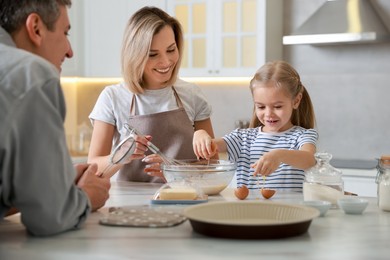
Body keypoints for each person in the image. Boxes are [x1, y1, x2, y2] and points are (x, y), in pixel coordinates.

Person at [0, 0, 114, 236]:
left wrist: (48, 186)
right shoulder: (30, 73)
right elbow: (50, 217)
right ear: (36, 28)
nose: (70, 51)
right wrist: (86, 197)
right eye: (65, 32)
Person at [88, 6, 216, 182]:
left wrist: (174, 171)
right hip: (125, 204)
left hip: (182, 199)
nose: (165, 62)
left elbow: (212, 165)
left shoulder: (192, 95)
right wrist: (120, 157)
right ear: (135, 55)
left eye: (171, 50)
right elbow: (93, 170)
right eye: (153, 54)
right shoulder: (112, 98)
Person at [193, 61, 318, 192]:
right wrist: (200, 134)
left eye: (277, 106)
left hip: (290, 211)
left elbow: (309, 159)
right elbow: (213, 147)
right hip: (251, 211)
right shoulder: (243, 138)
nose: (268, 114)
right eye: (261, 107)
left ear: (296, 101)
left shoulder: (303, 136)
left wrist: (279, 155)